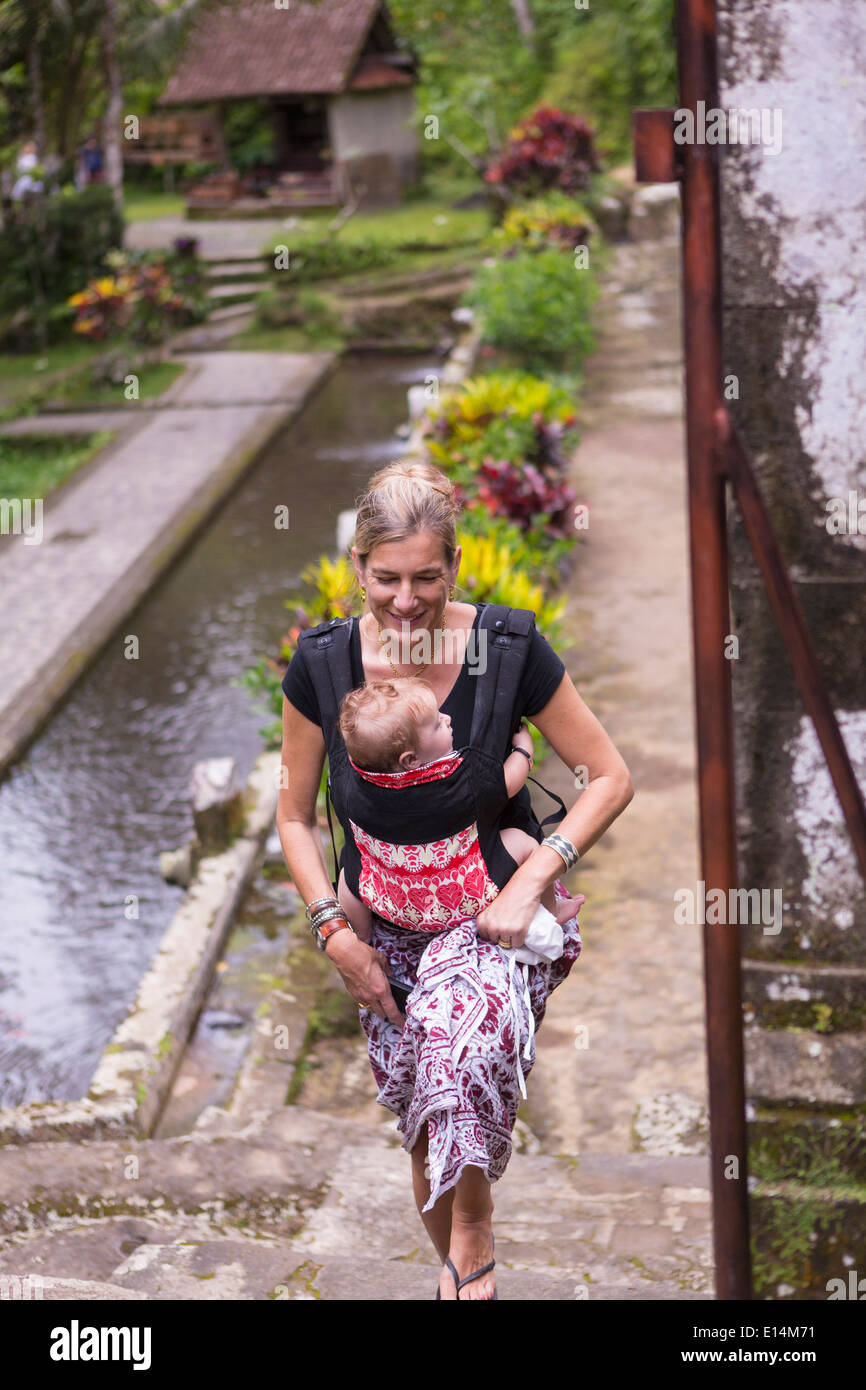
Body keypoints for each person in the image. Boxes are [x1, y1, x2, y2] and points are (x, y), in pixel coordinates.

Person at [276, 459, 633, 1300]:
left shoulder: (506, 651)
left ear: (456, 567)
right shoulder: (324, 667)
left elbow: (609, 775)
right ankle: (459, 1274)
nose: (406, 600)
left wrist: (534, 877)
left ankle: (472, 1240)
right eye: (386, 578)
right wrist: (333, 929)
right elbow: (294, 817)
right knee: (422, 1117)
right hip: (380, 933)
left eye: (427, 578)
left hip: (490, 924)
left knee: (456, 1049)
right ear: (357, 566)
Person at [334, 677, 582, 940]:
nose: (449, 718)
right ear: (411, 759)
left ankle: (361, 940)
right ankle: (552, 910)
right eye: (437, 723)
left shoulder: (354, 789)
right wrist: (523, 750)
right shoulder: (462, 781)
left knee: (349, 875)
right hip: (466, 898)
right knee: (525, 843)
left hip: (393, 904)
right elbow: (510, 781)